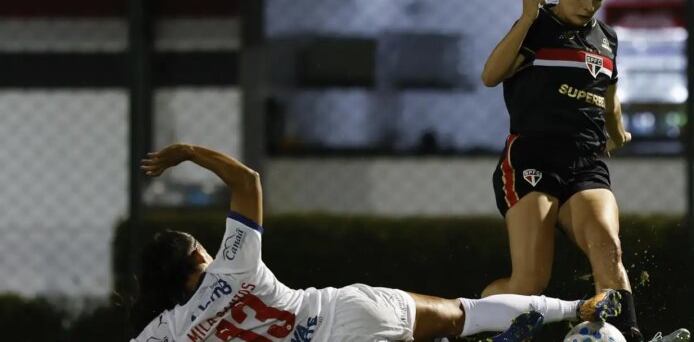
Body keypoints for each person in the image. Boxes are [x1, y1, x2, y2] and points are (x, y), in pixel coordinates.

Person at [130, 143, 622, 342]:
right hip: (345, 313)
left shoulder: (170, 330)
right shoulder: (230, 267)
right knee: (464, 313)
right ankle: (576, 306)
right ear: (199, 254)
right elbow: (247, 182)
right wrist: (187, 153)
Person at [480, 0, 689, 342]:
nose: (589, 5)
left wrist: (618, 131)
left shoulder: (606, 38)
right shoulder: (536, 28)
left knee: (607, 246)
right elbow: (490, 76)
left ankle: (629, 336)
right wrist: (525, 18)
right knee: (529, 283)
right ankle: (473, 324)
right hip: (532, 159)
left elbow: (609, 98)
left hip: (586, 163)